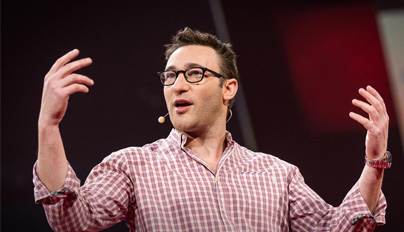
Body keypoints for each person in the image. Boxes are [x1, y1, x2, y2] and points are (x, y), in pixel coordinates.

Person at [33, 28, 390, 231]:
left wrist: (374, 161)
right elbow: (71, 221)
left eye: (194, 74)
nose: (177, 85)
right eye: (170, 76)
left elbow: (340, 228)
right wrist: (48, 126)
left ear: (228, 88)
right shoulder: (133, 166)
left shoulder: (277, 174)